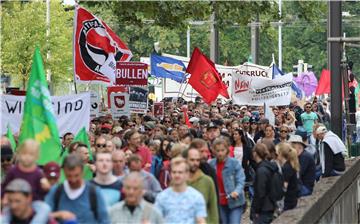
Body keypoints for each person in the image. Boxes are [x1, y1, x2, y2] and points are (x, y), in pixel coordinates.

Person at [45, 154, 110, 224]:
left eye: (76, 175)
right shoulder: (56, 191)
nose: (73, 180)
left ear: (82, 172)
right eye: (69, 176)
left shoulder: (94, 192)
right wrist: (58, 214)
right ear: (64, 172)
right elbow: (44, 217)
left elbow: (104, 220)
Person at [155, 157, 207, 224]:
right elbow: (156, 220)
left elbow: (201, 220)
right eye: (174, 172)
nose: (177, 175)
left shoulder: (196, 197)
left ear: (187, 174)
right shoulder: (162, 197)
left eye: (180, 172)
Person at [209, 138, 246, 224]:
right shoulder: (211, 164)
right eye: (218, 150)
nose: (220, 153)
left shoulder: (234, 163)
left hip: (235, 201)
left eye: (222, 150)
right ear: (214, 151)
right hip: (219, 202)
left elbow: (241, 180)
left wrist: (237, 191)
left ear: (227, 150)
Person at [184, 148, 219, 224]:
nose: (195, 163)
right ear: (186, 160)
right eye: (192, 160)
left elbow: (213, 208)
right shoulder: (180, 181)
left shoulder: (207, 181)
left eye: (197, 160)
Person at [250, 143, 276, 224]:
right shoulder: (268, 166)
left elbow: (260, 192)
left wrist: (256, 210)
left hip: (264, 209)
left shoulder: (261, 170)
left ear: (255, 153)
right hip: (268, 206)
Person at [276, 143, 300, 211]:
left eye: (277, 153)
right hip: (292, 199)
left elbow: (284, 186)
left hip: (288, 202)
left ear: (280, 154)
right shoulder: (289, 165)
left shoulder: (287, 168)